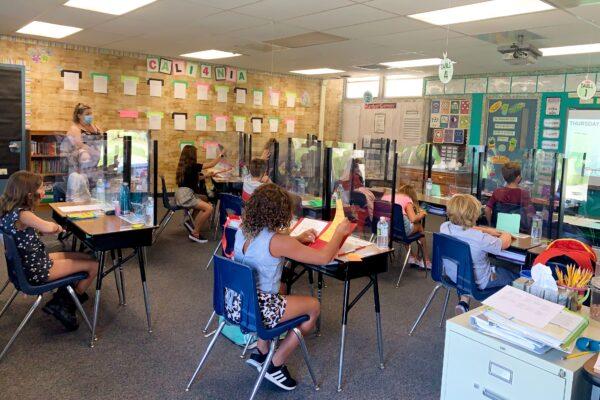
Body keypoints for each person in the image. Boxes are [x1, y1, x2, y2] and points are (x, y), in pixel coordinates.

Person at [236, 184, 352, 390]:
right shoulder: (278, 241)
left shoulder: (242, 230)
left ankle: (262, 351)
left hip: (239, 302)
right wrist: (339, 232)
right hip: (261, 309)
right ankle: (275, 363)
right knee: (313, 307)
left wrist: (296, 240)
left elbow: (267, 248)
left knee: (281, 290)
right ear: (279, 212)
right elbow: (324, 258)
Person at [0, 171, 98, 331]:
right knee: (94, 265)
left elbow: (23, 233)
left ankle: (62, 297)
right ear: (30, 194)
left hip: (28, 263)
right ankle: (64, 304)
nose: (44, 192)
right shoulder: (23, 214)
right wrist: (57, 227)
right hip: (37, 269)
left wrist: (38, 231)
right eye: (41, 189)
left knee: (82, 256)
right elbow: (49, 227)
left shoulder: (8, 211)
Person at [440, 194, 516, 315]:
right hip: (480, 282)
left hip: (454, 276)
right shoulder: (481, 239)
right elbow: (505, 243)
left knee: (468, 266)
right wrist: (505, 232)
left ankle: (464, 302)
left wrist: (485, 230)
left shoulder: (444, 227)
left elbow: (466, 229)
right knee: (515, 275)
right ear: (473, 214)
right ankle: (503, 316)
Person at [175, 145, 222, 243]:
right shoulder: (193, 165)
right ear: (192, 155)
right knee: (209, 208)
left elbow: (193, 179)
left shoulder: (185, 166)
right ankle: (195, 233)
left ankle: (191, 222)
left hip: (181, 194)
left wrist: (207, 176)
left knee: (204, 198)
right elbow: (212, 164)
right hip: (186, 196)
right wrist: (221, 155)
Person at [386, 184, 430, 268]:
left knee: (401, 225)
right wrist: (422, 213)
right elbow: (413, 219)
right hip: (400, 232)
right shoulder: (407, 199)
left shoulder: (389, 196)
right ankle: (426, 261)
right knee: (419, 226)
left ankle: (412, 256)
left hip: (386, 230)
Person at [484, 162, 534, 229]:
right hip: (518, 231)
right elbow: (530, 214)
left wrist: (490, 225)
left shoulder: (497, 192)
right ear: (518, 177)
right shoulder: (524, 193)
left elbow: (487, 210)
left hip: (499, 230)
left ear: (504, 177)